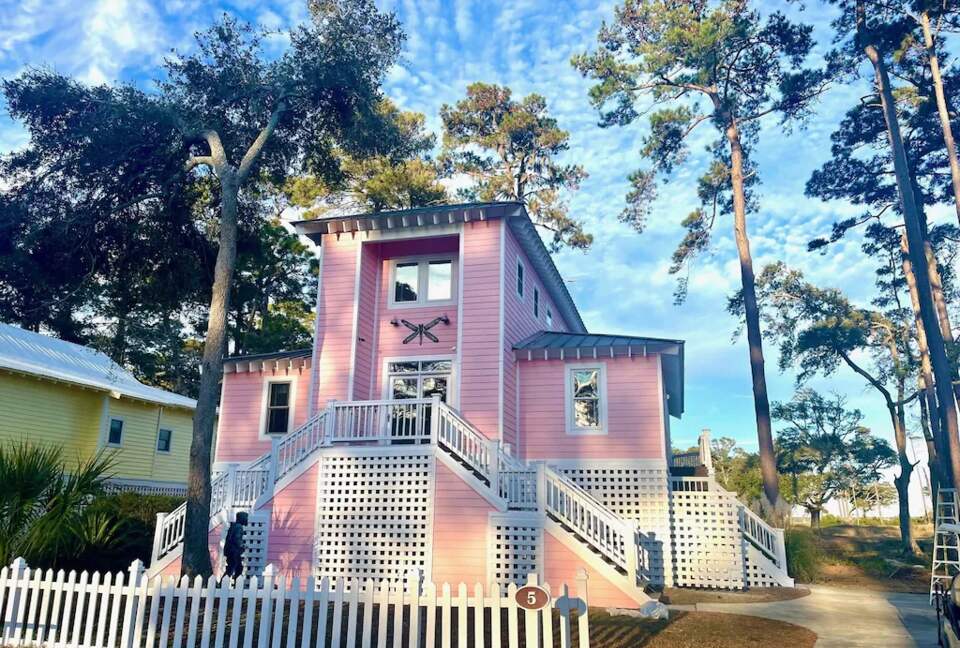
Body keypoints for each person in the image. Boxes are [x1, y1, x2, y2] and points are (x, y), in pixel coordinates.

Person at [223, 511, 247, 580]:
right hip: (234, 551)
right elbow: (237, 538)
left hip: (229, 551)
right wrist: (242, 546)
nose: (247, 520)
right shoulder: (239, 527)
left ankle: (229, 581)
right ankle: (233, 582)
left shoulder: (234, 526)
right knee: (236, 568)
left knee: (234, 567)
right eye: (246, 518)